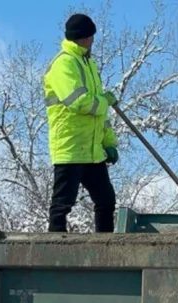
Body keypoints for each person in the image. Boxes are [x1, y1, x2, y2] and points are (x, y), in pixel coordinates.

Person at [43, 13, 120, 233]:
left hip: (92, 149)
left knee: (106, 200)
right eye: (91, 36)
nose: (93, 40)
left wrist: (109, 142)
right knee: (63, 203)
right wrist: (104, 101)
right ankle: (53, 245)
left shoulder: (88, 65)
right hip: (71, 146)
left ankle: (105, 246)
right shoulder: (63, 64)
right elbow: (78, 102)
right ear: (84, 38)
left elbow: (99, 115)